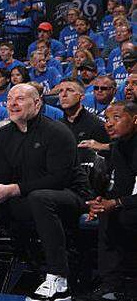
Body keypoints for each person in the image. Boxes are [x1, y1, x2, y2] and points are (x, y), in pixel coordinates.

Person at [0, 84, 85, 301]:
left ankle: (59, 280)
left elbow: (58, 179)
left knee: (40, 197)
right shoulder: (3, 135)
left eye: (20, 99)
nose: (12, 104)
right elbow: (1, 175)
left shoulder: (58, 132)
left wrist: (14, 189)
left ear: (37, 103)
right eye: (10, 99)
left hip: (68, 195)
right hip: (25, 199)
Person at [86, 101, 137, 301]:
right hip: (130, 205)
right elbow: (121, 188)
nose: (109, 124)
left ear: (135, 120)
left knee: (120, 213)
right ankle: (111, 285)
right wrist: (102, 202)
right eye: (107, 119)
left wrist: (115, 203)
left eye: (116, 118)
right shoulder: (119, 147)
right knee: (109, 215)